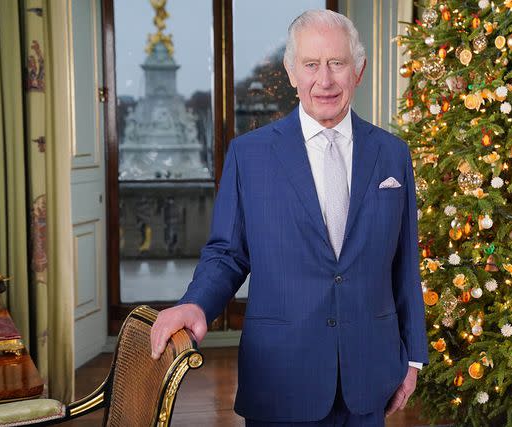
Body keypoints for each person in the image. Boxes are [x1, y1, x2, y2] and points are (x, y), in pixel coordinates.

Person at [150, 9, 427, 426]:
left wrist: (413, 356)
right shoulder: (251, 155)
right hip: (281, 375)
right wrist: (197, 304)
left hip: (370, 372)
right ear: (291, 71)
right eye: (311, 65)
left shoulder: (392, 154)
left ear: (360, 70)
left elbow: (405, 261)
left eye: (337, 63)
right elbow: (227, 253)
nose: (325, 80)